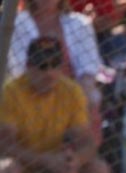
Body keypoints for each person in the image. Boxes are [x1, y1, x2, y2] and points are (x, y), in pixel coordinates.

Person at [0, 37, 111, 173]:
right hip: (26, 165)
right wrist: (45, 160)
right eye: (42, 66)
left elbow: (87, 141)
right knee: (8, 169)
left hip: (59, 167)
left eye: (54, 65)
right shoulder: (11, 91)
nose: (49, 73)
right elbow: (5, 146)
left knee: (99, 169)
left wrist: (75, 160)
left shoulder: (71, 91)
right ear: (29, 67)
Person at [9, 0, 107, 145]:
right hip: (29, 101)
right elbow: (20, 72)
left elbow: (88, 73)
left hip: (74, 102)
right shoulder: (16, 25)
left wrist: (72, 104)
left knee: (97, 167)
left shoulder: (80, 24)